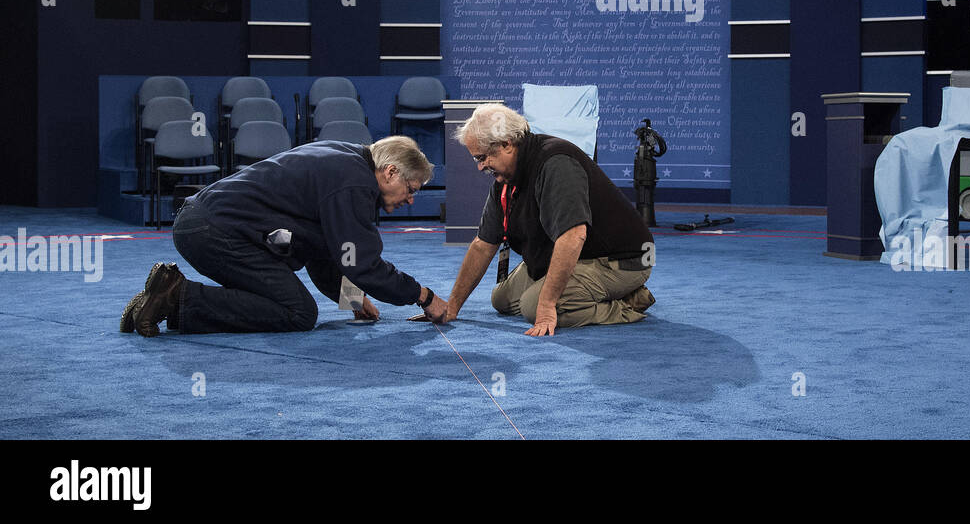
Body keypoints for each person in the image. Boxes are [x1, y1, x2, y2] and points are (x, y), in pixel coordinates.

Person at [121, 135, 447, 336]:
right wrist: (424, 296)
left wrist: (351, 299)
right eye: (410, 188)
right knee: (298, 312)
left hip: (204, 223)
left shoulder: (345, 161)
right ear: (390, 173)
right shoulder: (354, 184)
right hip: (214, 232)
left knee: (288, 302)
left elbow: (326, 252)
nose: (410, 199)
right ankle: (175, 297)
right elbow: (363, 264)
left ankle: (162, 298)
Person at [424, 104, 654, 337]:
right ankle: (584, 294)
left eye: (482, 157)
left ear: (506, 144)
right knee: (501, 300)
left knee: (533, 307)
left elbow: (574, 236)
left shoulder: (556, 162)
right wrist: (451, 306)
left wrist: (546, 307)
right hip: (578, 255)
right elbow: (483, 245)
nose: (480, 166)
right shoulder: (505, 179)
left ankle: (629, 302)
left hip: (624, 260)